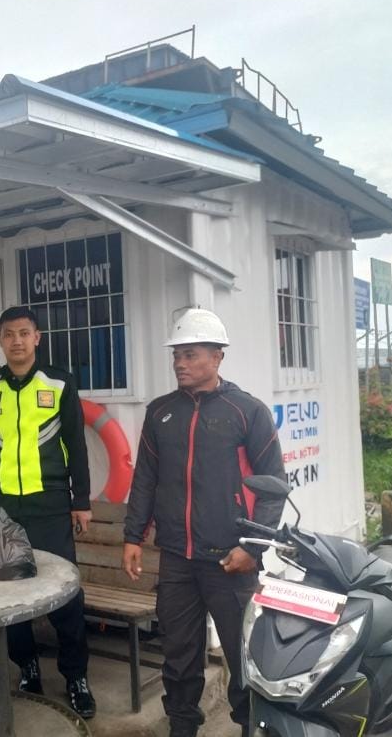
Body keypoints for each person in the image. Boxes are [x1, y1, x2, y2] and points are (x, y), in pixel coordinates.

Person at [121, 308, 285, 737]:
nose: (180, 363)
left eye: (190, 354)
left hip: (231, 559)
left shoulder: (247, 411)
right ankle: (182, 726)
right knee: (178, 655)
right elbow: (145, 479)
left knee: (243, 654)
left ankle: (251, 725)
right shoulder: (160, 412)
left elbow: (273, 486)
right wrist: (133, 536)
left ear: (217, 356)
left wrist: (252, 548)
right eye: (177, 355)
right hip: (177, 557)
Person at [0, 305, 97, 719]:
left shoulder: (59, 383)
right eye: (9, 334)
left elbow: (76, 444)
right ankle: (28, 667)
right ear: (0, 340)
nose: (16, 341)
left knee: (65, 595)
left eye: (24, 333)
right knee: (7, 593)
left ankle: (76, 677)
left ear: (37, 337)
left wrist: (81, 501)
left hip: (49, 505)